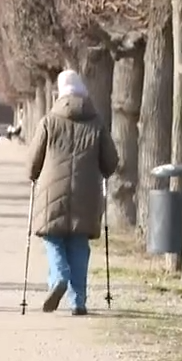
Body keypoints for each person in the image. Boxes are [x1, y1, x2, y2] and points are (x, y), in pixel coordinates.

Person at [27, 69, 118, 316]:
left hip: (51, 191)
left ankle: (58, 276)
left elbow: (34, 160)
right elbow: (111, 162)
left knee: (53, 238)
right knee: (79, 244)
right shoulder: (97, 122)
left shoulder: (49, 121)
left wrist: (32, 174)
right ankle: (78, 300)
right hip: (86, 193)